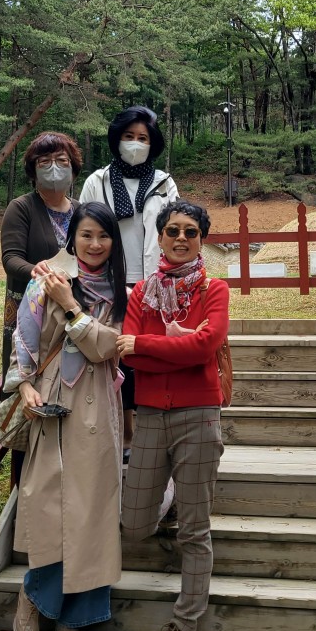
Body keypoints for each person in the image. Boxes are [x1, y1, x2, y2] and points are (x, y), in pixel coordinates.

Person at [6, 201, 127, 631]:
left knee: (92, 509)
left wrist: (72, 306)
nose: (95, 244)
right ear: (71, 239)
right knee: (52, 503)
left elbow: (105, 348)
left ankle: (76, 618)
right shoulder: (43, 283)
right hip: (52, 402)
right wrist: (24, 388)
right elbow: (23, 340)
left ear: (114, 241)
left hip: (98, 404)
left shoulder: (122, 291)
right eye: (86, 235)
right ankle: (35, 597)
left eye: (103, 236)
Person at [117, 198, 229, 631]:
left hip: (198, 414)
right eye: (172, 230)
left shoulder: (214, 289)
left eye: (191, 231)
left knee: (195, 532)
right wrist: (176, 344)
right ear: (159, 237)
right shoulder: (141, 293)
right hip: (149, 415)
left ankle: (185, 627)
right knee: (134, 523)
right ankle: (173, 496)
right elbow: (127, 355)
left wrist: (148, 345)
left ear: (202, 239)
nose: (181, 238)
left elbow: (206, 347)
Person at [80, 106, 178, 459]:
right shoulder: (98, 181)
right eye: (129, 136)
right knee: (115, 356)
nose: (135, 143)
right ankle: (122, 432)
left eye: (143, 138)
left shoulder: (164, 183)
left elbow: (174, 231)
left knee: (147, 355)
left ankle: (150, 431)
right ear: (116, 139)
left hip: (153, 283)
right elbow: (82, 229)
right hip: (107, 282)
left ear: (153, 144)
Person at [0, 132, 82, 378]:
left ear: (73, 169)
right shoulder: (21, 207)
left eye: (62, 160)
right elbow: (11, 258)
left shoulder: (81, 211)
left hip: (70, 304)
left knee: (68, 373)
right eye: (44, 161)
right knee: (27, 375)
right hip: (30, 306)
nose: (54, 167)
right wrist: (35, 271)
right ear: (33, 171)